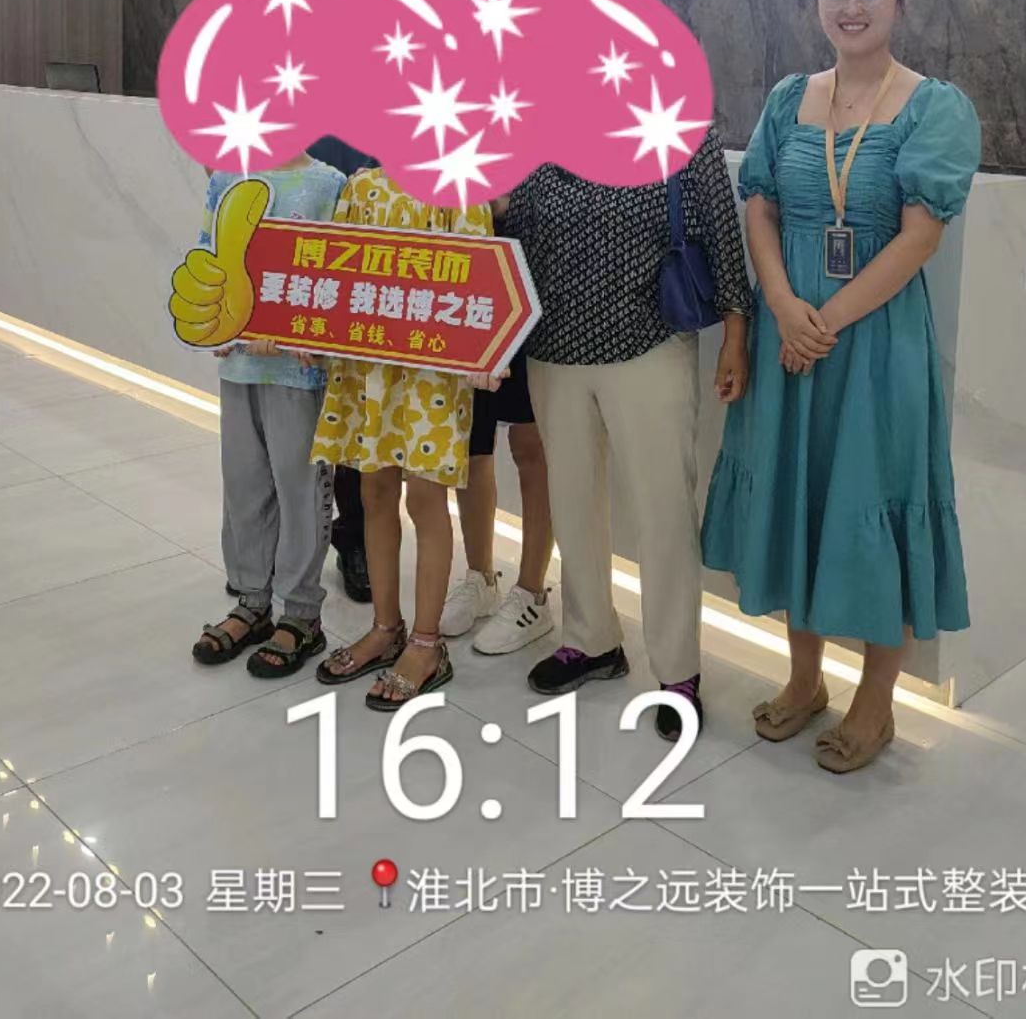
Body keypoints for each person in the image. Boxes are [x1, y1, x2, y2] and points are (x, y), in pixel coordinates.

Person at [702, 0, 980, 774]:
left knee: (872, 498)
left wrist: (821, 322)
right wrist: (784, 306)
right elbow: (758, 206)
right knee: (799, 496)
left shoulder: (935, 108)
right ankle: (804, 678)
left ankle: (876, 702)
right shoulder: (790, 97)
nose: (851, 8)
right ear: (816, 2)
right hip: (792, 332)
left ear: (900, 1)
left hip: (875, 343)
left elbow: (919, 237)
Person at [503, 138, 752, 741]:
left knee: (663, 508)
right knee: (572, 501)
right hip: (552, 345)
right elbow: (510, 223)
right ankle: (591, 639)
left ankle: (678, 671)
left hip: (650, 340)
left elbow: (722, 230)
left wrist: (736, 334)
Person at [310, 168, 493, 708]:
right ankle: (385, 627)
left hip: (432, 369)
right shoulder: (361, 186)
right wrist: (314, 330)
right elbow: (335, 267)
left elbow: (480, 277)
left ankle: (426, 643)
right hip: (370, 360)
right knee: (373, 491)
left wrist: (484, 349)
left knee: (426, 498)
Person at [182, 152, 345, 676]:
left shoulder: (329, 184)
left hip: (298, 372)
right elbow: (207, 252)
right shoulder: (228, 178)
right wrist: (211, 320)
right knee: (243, 483)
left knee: (301, 490)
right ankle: (252, 601)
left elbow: (341, 272)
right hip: (239, 365)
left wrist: (312, 336)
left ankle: (301, 614)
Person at [440, 330, 556, 653]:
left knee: (530, 444)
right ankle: (481, 579)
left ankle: (531, 593)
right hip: (472, 313)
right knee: (471, 440)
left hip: (529, 317)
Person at [308, 136, 380, 606]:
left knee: (358, 419)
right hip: (304, 264)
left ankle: (355, 539)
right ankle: (279, 549)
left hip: (370, 274)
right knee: (299, 428)